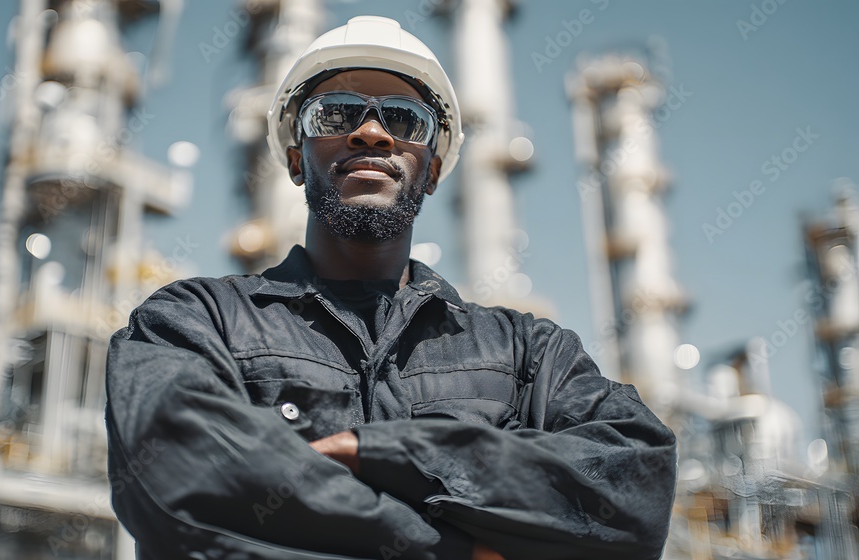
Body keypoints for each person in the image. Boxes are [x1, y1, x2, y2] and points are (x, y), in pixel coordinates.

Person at [105, 15, 677, 560]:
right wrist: (456, 549)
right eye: (336, 115)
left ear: (431, 169)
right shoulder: (197, 321)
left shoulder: (528, 353)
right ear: (296, 158)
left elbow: (634, 490)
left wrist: (388, 455)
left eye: (404, 120)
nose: (372, 133)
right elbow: (184, 479)